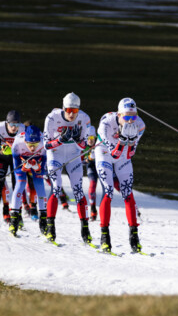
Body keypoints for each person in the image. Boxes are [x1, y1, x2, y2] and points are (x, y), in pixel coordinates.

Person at [95, 98, 146, 253]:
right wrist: (123, 141)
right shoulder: (106, 123)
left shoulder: (140, 125)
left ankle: (134, 237)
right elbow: (113, 153)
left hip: (123, 153)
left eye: (133, 116)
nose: (130, 120)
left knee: (128, 193)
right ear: (118, 115)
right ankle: (105, 236)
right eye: (126, 116)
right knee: (108, 191)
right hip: (104, 151)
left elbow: (130, 154)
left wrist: (129, 142)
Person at [43, 92, 93, 244]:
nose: (71, 114)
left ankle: (85, 228)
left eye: (75, 111)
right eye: (69, 111)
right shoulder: (52, 118)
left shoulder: (84, 118)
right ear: (63, 108)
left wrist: (79, 140)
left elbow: (85, 147)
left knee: (78, 190)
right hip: (56, 154)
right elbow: (46, 145)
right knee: (56, 187)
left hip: (73, 155)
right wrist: (60, 140)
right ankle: (50, 227)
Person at [8, 125, 48, 237]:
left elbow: (43, 166)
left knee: (39, 185)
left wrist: (37, 167)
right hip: (22, 160)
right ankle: (14, 219)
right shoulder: (17, 143)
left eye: (35, 145)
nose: (32, 148)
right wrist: (24, 167)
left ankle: (44, 221)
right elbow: (16, 166)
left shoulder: (44, 143)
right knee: (20, 183)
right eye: (30, 145)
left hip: (37, 160)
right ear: (25, 141)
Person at [0, 110, 25, 228]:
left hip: (16, 159)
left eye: (17, 125)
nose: (14, 128)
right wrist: (3, 151)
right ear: (7, 123)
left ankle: (17, 216)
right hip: (2, 158)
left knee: (17, 186)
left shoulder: (23, 129)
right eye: (12, 125)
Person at [84, 125, 99, 221]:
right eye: (88, 138)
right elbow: (83, 160)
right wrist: (89, 158)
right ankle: (93, 208)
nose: (90, 140)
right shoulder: (84, 147)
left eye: (92, 138)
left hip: (102, 168)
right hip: (91, 168)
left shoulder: (99, 144)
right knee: (92, 186)